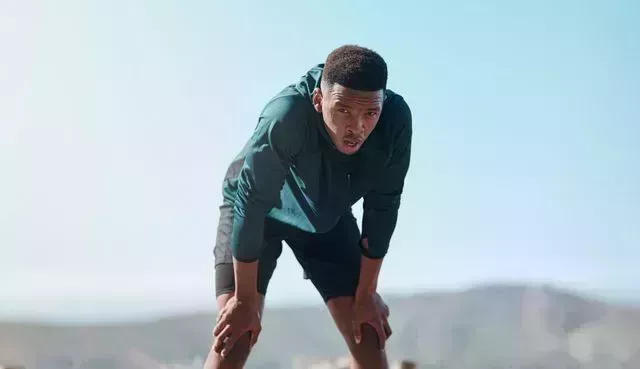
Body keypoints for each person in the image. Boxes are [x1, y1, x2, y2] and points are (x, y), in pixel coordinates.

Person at [204, 44, 412, 369]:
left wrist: (367, 292)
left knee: (367, 334)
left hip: (323, 216)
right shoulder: (287, 114)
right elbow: (251, 203)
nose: (357, 126)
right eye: (343, 110)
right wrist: (244, 301)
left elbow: (383, 205)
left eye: (370, 113)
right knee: (235, 337)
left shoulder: (395, 121)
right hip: (258, 212)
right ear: (319, 100)